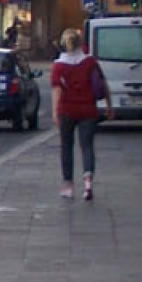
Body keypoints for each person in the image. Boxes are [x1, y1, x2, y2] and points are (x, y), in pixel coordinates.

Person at [51, 27, 112, 200]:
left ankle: (68, 186)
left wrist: (55, 112)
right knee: (87, 146)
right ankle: (88, 183)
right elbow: (102, 83)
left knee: (66, 147)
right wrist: (109, 105)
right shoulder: (90, 62)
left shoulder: (59, 65)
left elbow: (57, 90)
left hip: (67, 110)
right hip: (88, 110)